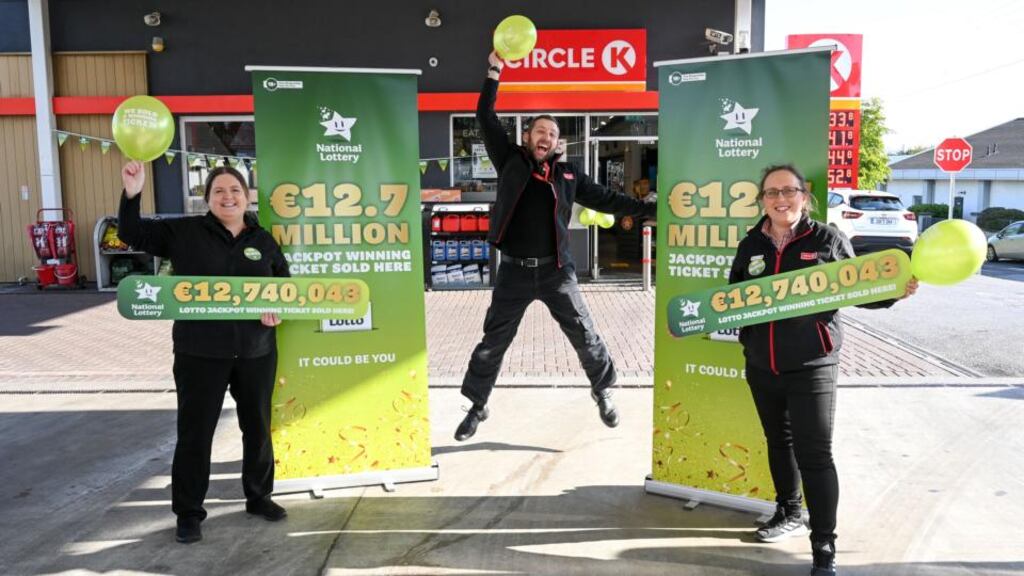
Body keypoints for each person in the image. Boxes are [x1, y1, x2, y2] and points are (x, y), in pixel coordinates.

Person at [455, 51, 657, 442]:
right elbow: (485, 116)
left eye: (551, 133)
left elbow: (606, 199)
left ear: (557, 142)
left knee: (584, 333)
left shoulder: (568, 174)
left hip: (556, 271)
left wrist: (647, 209)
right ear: (527, 137)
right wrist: (494, 70)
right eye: (539, 131)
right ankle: (477, 406)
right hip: (514, 272)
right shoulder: (509, 160)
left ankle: (603, 391)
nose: (545, 137)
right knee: (493, 341)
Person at [729, 164, 918, 575]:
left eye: (789, 191)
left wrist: (893, 292)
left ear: (804, 195)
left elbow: (860, 288)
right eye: (772, 192)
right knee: (778, 442)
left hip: (812, 364)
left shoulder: (827, 239)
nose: (781, 199)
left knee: (815, 454)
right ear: (762, 200)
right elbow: (733, 298)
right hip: (761, 365)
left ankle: (824, 546)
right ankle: (788, 511)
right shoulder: (750, 244)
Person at [118, 161, 290, 544]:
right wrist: (133, 192)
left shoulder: (262, 240)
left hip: (256, 351)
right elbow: (131, 232)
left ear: (247, 197)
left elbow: (283, 284)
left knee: (258, 428)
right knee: (195, 433)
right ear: (207, 198)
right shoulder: (184, 233)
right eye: (219, 191)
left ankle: (259, 497)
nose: (228, 197)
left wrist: (276, 308)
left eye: (235, 190)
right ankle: (188, 513)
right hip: (200, 352)